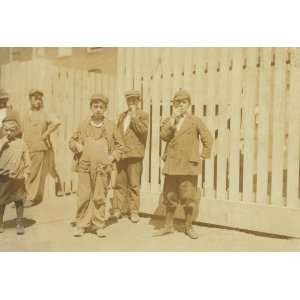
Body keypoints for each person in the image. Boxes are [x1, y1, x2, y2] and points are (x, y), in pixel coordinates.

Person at [154, 89, 213, 239]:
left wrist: (204, 153)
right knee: (169, 196)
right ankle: (168, 226)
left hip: (188, 166)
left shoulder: (195, 120)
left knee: (188, 197)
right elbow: (163, 136)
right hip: (172, 165)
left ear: (189, 104)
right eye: (177, 102)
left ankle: (188, 227)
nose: (181, 105)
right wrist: (173, 121)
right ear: (173, 104)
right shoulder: (168, 120)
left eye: (184, 102)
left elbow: (208, 137)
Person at [69, 93, 124, 238]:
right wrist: (77, 145)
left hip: (103, 166)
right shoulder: (82, 125)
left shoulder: (111, 126)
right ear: (91, 108)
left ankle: (98, 225)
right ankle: (81, 224)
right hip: (84, 165)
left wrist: (112, 157)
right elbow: (71, 142)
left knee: (100, 196)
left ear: (105, 109)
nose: (98, 109)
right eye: (95, 106)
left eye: (101, 107)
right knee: (84, 195)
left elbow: (120, 146)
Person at [22, 89, 63, 207]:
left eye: (40, 99)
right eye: (35, 98)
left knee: (33, 172)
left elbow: (56, 122)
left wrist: (45, 134)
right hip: (26, 147)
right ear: (30, 99)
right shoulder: (26, 113)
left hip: (39, 147)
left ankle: (30, 198)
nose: (38, 101)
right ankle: (22, 197)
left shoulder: (45, 113)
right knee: (26, 172)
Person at [113, 90, 149, 223]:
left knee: (134, 185)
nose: (132, 103)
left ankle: (134, 211)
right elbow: (117, 133)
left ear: (139, 101)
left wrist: (134, 116)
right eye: (129, 100)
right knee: (119, 184)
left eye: (134, 100)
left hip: (134, 155)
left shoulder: (143, 115)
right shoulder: (122, 116)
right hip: (122, 154)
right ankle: (117, 209)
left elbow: (142, 130)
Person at [0, 113, 31, 235]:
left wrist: (26, 172)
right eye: (6, 130)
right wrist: (2, 143)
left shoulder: (21, 143)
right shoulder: (1, 142)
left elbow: (27, 158)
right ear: (2, 130)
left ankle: (19, 222)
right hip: (3, 176)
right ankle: (0, 223)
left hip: (18, 177)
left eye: (11, 130)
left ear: (16, 130)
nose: (8, 132)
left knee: (19, 200)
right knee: (1, 201)